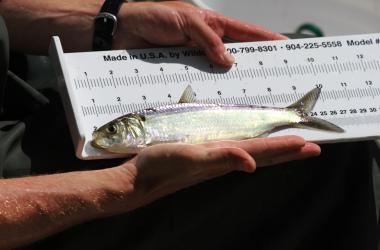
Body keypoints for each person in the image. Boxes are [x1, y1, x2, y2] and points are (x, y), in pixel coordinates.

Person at [0, 1, 377, 250]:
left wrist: (108, 20)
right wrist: (128, 184)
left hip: (24, 80)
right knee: (335, 157)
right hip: (25, 196)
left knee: (280, 48)